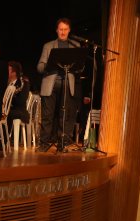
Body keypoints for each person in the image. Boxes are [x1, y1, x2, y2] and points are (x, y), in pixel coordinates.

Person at [36, 17, 83, 152]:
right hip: (51, 83)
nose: (63, 32)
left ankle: (63, 142)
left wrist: (78, 67)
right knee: (47, 115)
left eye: (65, 29)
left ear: (69, 30)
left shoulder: (75, 45)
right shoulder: (48, 46)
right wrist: (49, 65)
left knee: (66, 115)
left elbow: (80, 67)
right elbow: (39, 67)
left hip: (67, 83)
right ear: (56, 30)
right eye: (61, 29)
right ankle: (44, 143)